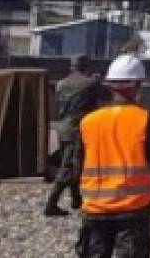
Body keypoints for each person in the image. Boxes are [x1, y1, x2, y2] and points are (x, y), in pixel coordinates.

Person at [74, 54, 150, 258]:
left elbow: (77, 165)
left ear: (110, 85)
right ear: (137, 85)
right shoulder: (145, 120)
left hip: (95, 208)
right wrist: (146, 186)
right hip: (134, 208)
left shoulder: (88, 121)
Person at [45, 54, 105, 217]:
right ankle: (51, 203)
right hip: (79, 130)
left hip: (63, 128)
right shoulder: (90, 83)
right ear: (86, 66)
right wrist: (98, 82)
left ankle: (76, 199)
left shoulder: (60, 84)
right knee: (70, 167)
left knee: (72, 162)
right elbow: (106, 97)